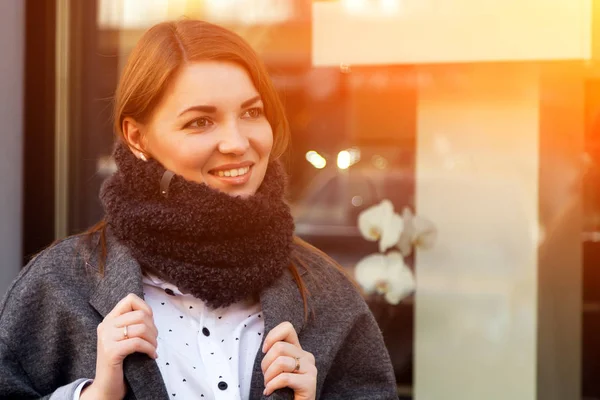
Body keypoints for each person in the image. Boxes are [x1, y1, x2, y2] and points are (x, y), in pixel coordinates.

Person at [0, 20, 396, 400]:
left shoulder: (326, 292)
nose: (237, 142)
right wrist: (96, 396)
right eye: (200, 121)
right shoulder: (59, 285)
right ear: (137, 137)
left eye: (251, 112)